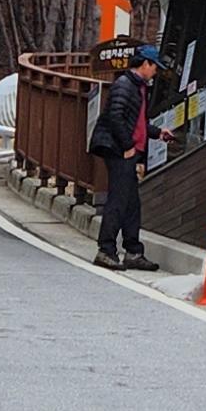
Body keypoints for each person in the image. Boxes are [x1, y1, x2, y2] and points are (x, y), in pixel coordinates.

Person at [90, 43, 157, 268]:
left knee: (131, 203)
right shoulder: (125, 85)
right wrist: (127, 146)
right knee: (118, 201)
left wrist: (158, 133)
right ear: (145, 64)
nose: (155, 71)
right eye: (154, 66)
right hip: (118, 149)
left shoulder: (137, 87)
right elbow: (115, 117)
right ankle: (106, 250)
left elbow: (138, 123)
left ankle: (133, 251)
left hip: (126, 149)